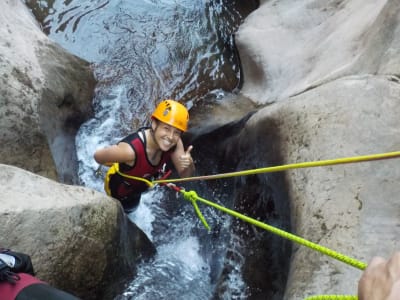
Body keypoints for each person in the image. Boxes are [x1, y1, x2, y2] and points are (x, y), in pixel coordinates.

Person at [94, 99, 195, 213]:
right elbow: (98, 156)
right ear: (154, 124)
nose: (171, 137)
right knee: (122, 211)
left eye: (177, 132)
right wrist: (120, 158)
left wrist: (189, 164)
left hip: (139, 188)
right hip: (120, 191)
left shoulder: (175, 144)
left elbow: (186, 175)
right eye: (166, 128)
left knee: (132, 209)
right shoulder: (130, 151)